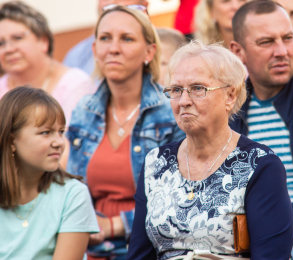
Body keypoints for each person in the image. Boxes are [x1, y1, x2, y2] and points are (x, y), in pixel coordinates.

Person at [127, 39, 293, 260]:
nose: (184, 100)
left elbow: (271, 256)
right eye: (176, 90)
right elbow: (139, 254)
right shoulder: (156, 162)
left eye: (198, 89)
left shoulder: (260, 164)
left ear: (230, 96)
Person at [65, 5, 185, 260]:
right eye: (105, 38)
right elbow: (71, 189)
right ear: (95, 50)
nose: (113, 48)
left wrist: (114, 225)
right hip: (89, 248)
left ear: (149, 51)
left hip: (152, 249)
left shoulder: (172, 112)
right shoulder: (83, 111)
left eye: (127, 39)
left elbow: (182, 199)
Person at [230, 0, 293, 258]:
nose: (282, 51)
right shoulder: (228, 108)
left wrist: (270, 220)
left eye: (288, 38)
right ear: (238, 51)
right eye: (266, 42)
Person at [0, 87, 99, 260]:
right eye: (45, 132)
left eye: (61, 132)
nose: (59, 142)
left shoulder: (73, 195)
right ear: (11, 141)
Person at [0, 1, 97, 127]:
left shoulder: (76, 86)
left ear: (44, 41)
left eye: (18, 38)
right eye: (1, 43)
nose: (9, 49)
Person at [63, 0, 148, 75]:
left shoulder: (160, 41)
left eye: (127, 39)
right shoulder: (78, 56)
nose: (112, 2)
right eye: (104, 38)